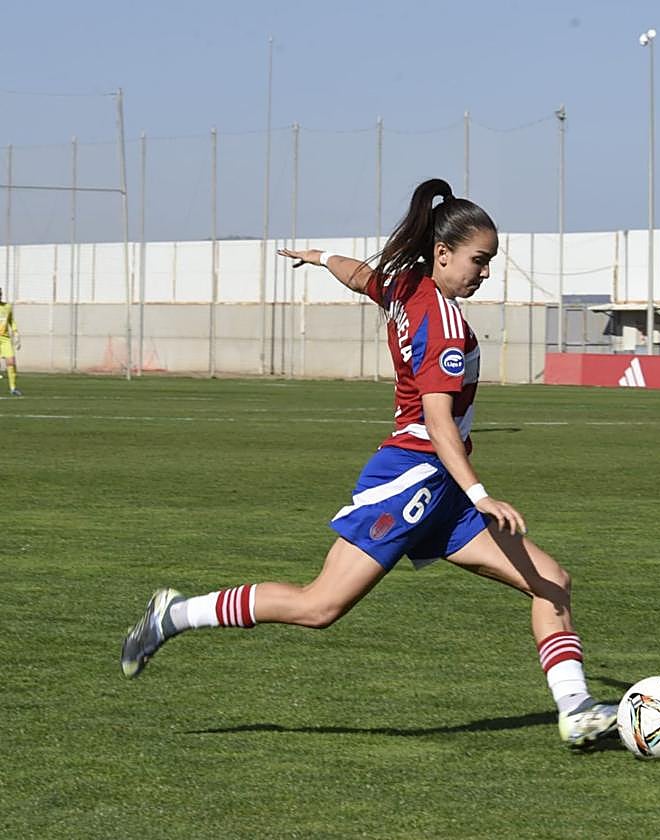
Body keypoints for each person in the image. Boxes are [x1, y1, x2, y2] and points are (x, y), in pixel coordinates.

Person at [120, 178, 618, 748]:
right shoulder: (444, 326)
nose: (484, 273)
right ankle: (176, 614)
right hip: (412, 478)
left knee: (551, 582)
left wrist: (320, 257)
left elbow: (363, 277)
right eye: (479, 261)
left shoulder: (409, 286)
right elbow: (437, 424)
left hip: (441, 489)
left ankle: (576, 708)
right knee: (319, 606)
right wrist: (483, 496)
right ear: (444, 252)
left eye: (491, 263)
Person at [0, 288, 22, 396]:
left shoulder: (7, 307)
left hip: (5, 339)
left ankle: (13, 388)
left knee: (10, 361)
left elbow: (11, 321)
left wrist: (16, 333)